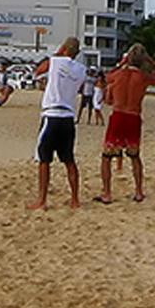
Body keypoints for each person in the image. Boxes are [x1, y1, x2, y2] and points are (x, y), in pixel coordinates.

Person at [98, 44, 155, 204]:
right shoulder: (143, 77)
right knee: (134, 156)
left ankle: (107, 193)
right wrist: (152, 63)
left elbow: (106, 77)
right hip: (133, 116)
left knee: (107, 156)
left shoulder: (119, 74)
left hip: (118, 115)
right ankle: (139, 191)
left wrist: (121, 63)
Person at [31, 37, 88, 210]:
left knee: (44, 160)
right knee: (69, 159)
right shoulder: (81, 69)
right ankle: (75, 199)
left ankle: (42, 200)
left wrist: (57, 53)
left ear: (64, 48)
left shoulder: (55, 61)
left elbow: (38, 71)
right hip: (68, 116)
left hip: (52, 113)